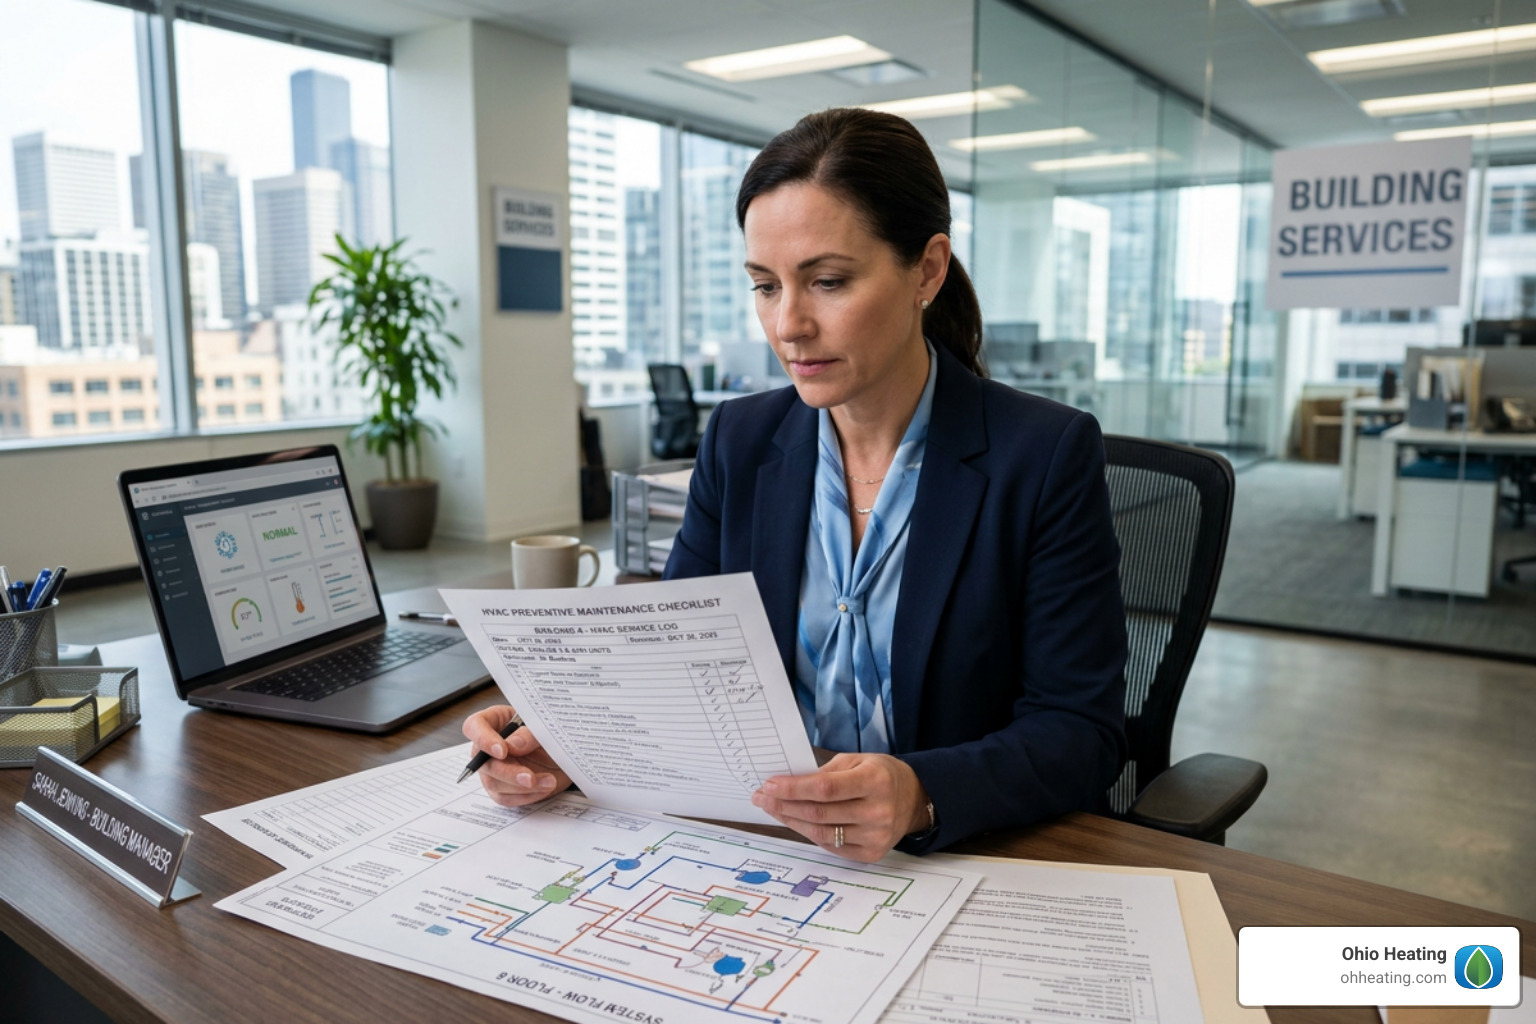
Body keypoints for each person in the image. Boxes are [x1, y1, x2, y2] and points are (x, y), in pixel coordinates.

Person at [464, 108, 1128, 863]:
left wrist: (921, 791)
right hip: (765, 849)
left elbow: (1082, 731)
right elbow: (674, 665)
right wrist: (573, 740)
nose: (788, 325)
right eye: (764, 285)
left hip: (953, 864)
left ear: (927, 271)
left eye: (828, 282)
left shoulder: (1043, 454)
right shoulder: (740, 441)